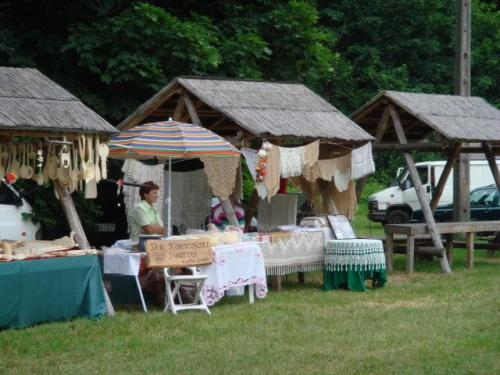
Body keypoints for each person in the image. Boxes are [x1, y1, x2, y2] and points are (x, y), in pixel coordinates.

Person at [128, 181, 166, 305]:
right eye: (154, 193)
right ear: (145, 194)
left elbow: (163, 230)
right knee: (158, 262)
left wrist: (154, 228)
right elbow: (148, 230)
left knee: (169, 260)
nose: (157, 195)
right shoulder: (139, 209)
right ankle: (160, 296)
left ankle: (170, 292)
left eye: (157, 193)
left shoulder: (154, 208)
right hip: (140, 246)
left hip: (154, 244)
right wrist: (155, 228)